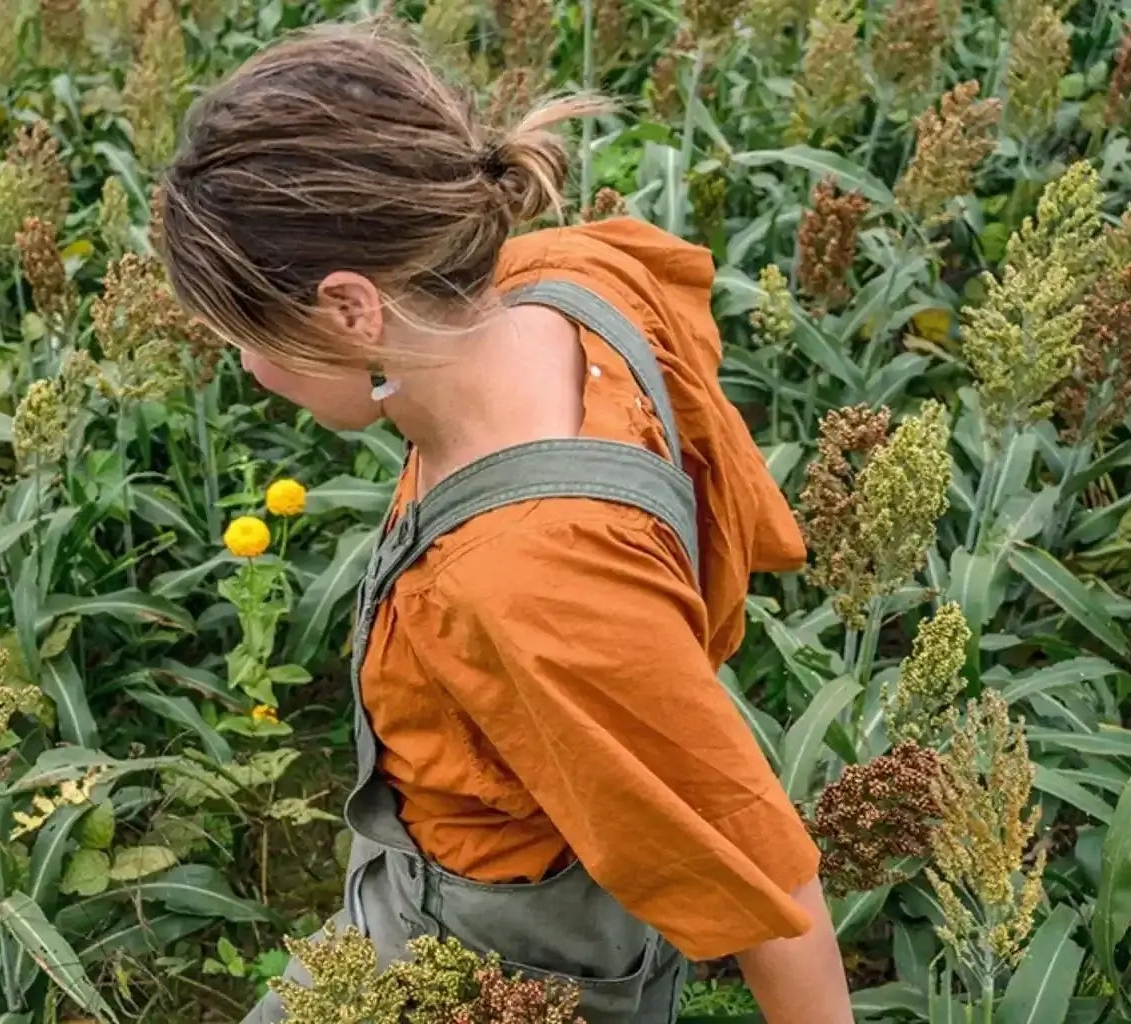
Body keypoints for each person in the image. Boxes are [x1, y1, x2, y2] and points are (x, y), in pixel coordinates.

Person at [152, 19, 854, 1024]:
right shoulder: (566, 277)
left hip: (492, 958)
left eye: (248, 340)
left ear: (352, 309)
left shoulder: (527, 574)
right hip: (467, 867)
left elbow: (769, 880)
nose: (250, 373)